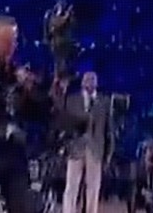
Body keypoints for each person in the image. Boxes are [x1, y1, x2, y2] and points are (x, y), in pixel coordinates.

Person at [0, 16, 55, 213]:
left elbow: (40, 113)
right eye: (7, 40)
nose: (12, 46)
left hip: (13, 153)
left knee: (23, 204)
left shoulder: (17, 73)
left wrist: (31, 90)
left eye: (14, 41)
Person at [62, 71, 115, 213]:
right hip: (75, 149)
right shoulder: (72, 100)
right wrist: (65, 145)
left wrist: (108, 153)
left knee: (93, 187)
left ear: (97, 83)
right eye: (87, 79)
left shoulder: (104, 102)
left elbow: (109, 129)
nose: (90, 82)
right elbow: (66, 124)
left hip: (96, 150)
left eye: (93, 79)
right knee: (71, 186)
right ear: (82, 82)